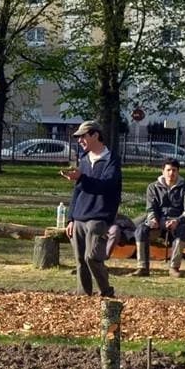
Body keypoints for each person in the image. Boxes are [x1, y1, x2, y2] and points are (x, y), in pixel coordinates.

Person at [59, 121, 120, 297]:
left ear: (95, 135)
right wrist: (71, 218)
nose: (80, 140)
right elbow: (78, 190)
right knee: (80, 260)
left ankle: (106, 292)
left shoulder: (111, 160)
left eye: (83, 136)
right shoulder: (84, 159)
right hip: (80, 217)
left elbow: (107, 186)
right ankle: (83, 293)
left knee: (92, 257)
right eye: (78, 137)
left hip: (99, 217)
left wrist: (82, 178)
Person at [135, 159, 185, 277]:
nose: (171, 173)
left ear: (178, 172)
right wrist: (153, 219)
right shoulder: (153, 187)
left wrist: (177, 221)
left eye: (174, 170)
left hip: (177, 221)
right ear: (162, 171)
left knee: (183, 230)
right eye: (168, 170)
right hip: (159, 220)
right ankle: (142, 267)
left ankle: (174, 267)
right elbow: (150, 207)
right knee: (140, 230)